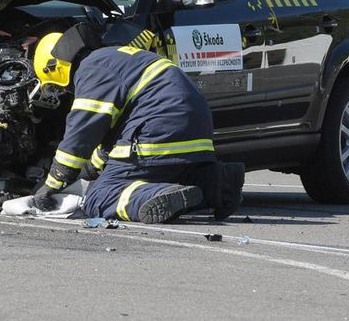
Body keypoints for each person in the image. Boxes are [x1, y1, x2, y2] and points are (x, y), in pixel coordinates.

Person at [31, 23, 244, 223]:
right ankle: (219, 185)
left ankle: (152, 195)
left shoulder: (91, 70)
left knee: (99, 195)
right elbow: (108, 142)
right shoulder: (115, 58)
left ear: (55, 68)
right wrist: (89, 169)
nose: (63, 92)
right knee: (177, 173)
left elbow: (82, 133)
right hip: (195, 131)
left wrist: (53, 183)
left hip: (158, 131)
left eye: (55, 88)